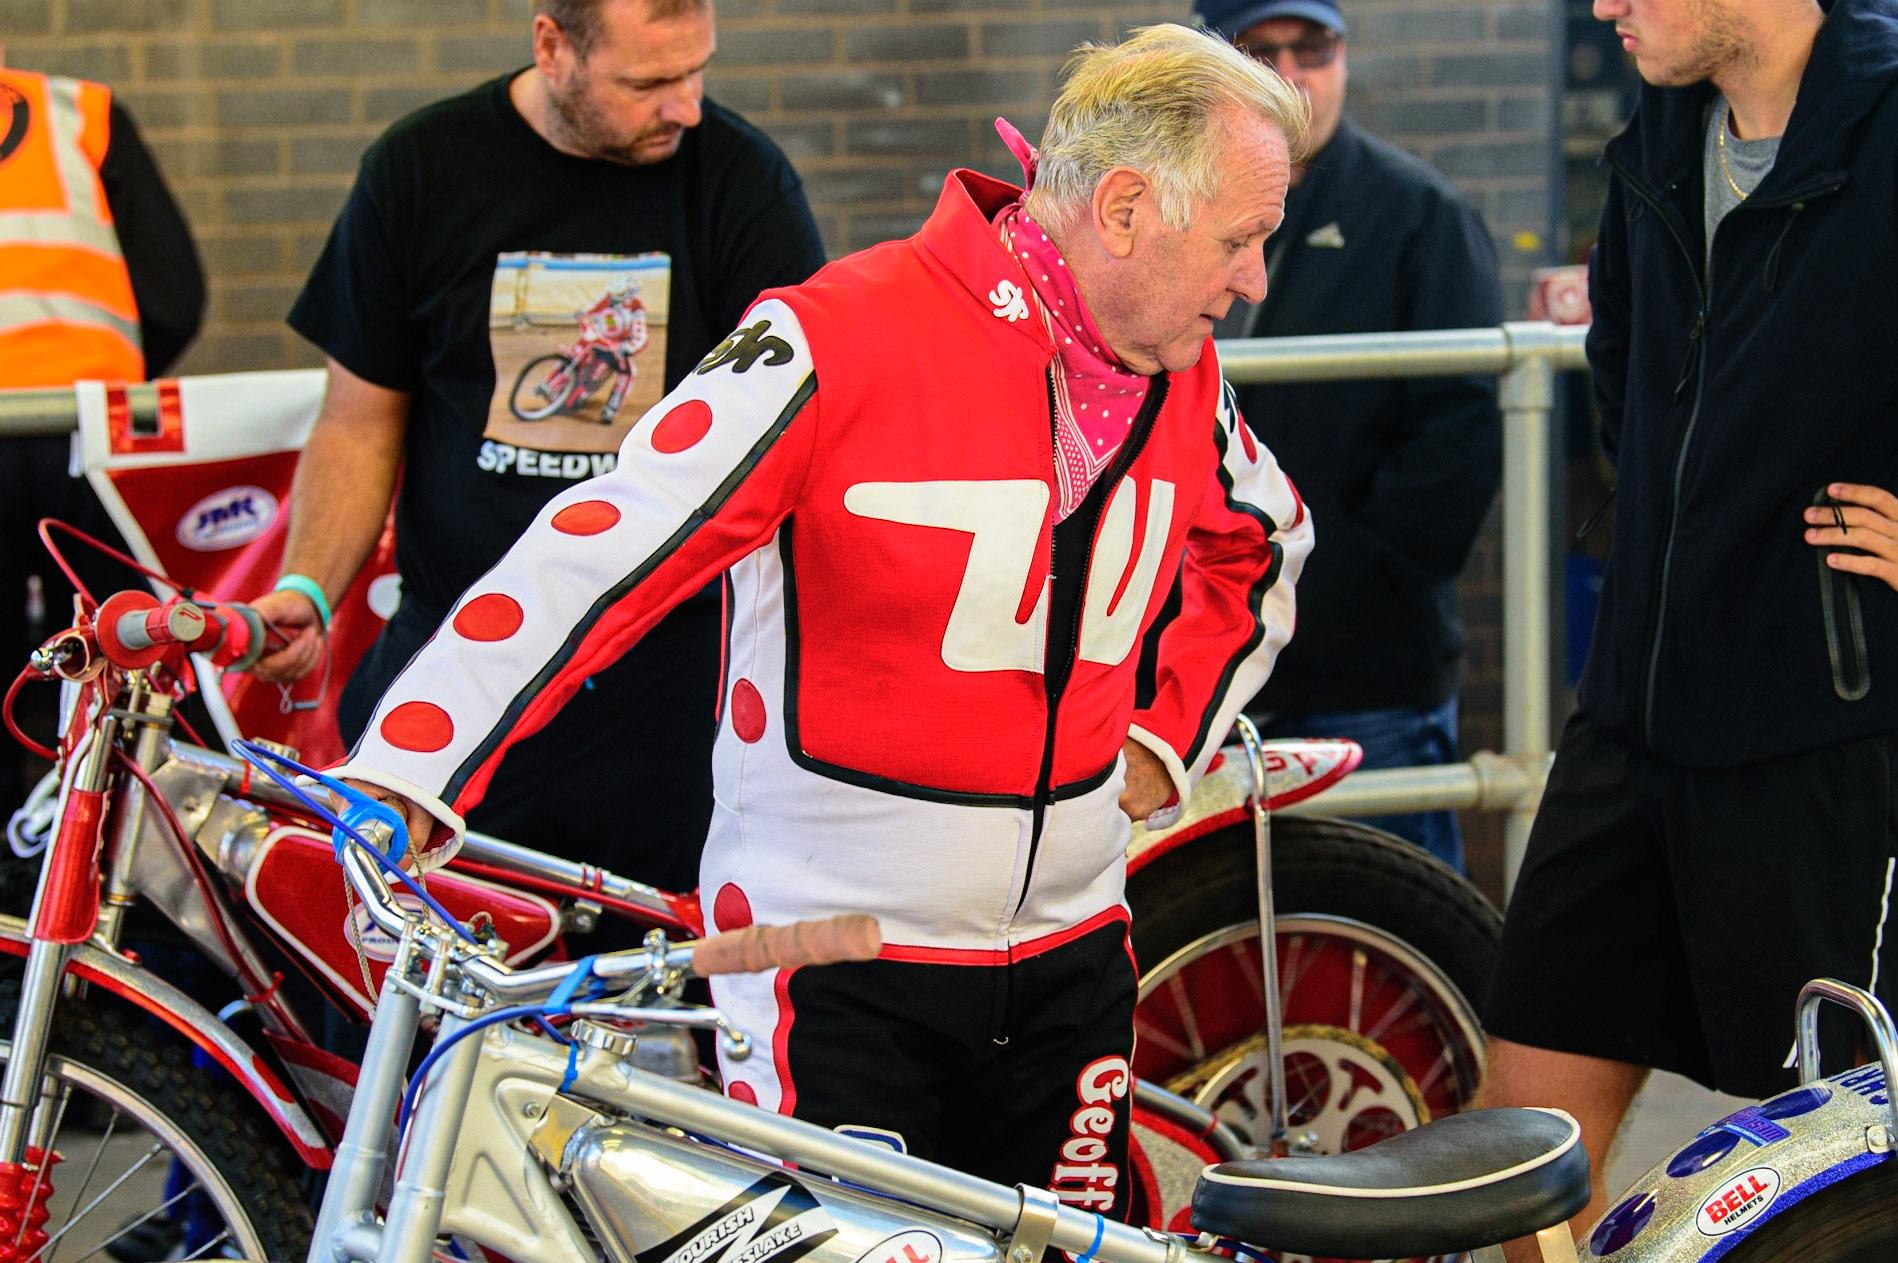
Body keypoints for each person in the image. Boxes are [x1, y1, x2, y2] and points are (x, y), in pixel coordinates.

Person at [328, 24, 1311, 1212]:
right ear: (1119, 209)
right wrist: (405, 769)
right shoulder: (831, 336)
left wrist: (1164, 739)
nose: (1254, 280)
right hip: (832, 975)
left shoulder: (1177, 369)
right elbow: (601, 550)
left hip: (1072, 963)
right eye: (1240, 239)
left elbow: (1262, 538)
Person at [1479, 0, 1898, 1248]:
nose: (1602, 7)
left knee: (1839, 1171)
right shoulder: (1660, 129)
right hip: (1631, 715)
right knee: (1519, 1149)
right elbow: (1623, 377)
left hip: (1825, 728)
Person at [248, 0, 827, 899]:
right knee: (401, 1004)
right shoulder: (420, 171)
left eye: (696, 70)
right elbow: (359, 422)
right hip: (451, 678)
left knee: (653, 1019)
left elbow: (795, 436)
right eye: (647, 83)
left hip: (665, 705)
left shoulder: (741, 181)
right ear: (552, 45)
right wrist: (308, 588)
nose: (686, 106)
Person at [1190, 0, 1502, 871]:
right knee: (1223, 961)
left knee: (1390, 947)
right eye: (1261, 50)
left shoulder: (1420, 216)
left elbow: (1459, 441)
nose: (1292, 73)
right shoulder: (1162, 212)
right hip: (1198, 676)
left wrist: (1319, 599)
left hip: (1361, 683)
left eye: (1315, 48)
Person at [0, 58, 204, 822]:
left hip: (72, 431)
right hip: (88, 439)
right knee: (106, 671)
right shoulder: (78, 112)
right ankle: (100, 878)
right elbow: (175, 296)